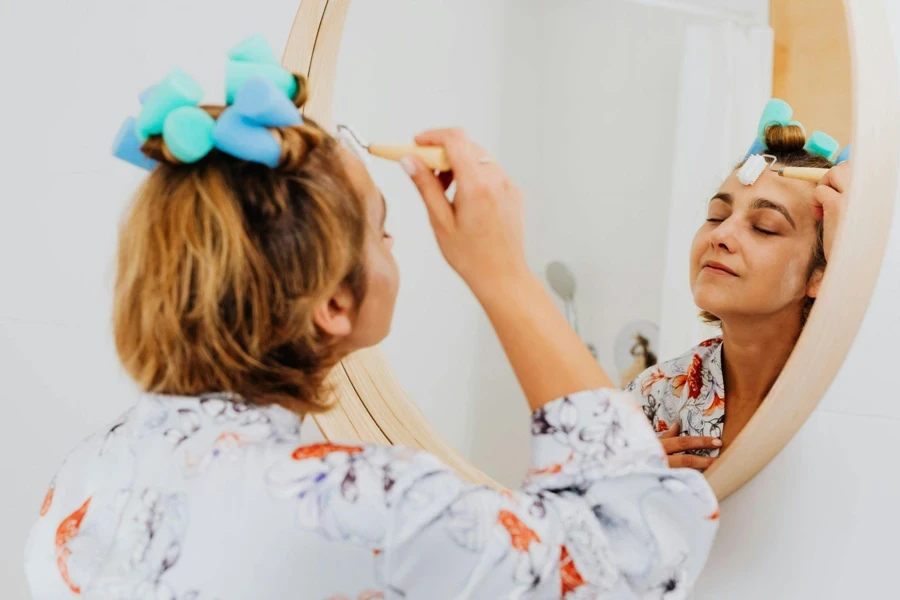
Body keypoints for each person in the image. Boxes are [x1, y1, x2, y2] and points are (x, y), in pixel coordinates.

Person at [23, 46, 717, 599]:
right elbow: (638, 551)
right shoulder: (360, 502)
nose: (396, 248)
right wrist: (503, 273)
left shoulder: (87, 478)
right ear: (333, 303)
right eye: (383, 233)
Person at [627, 115, 848, 472]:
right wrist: (624, 486)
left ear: (821, 274)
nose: (720, 235)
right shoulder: (656, 393)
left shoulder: (853, 399)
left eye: (764, 227)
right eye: (716, 216)